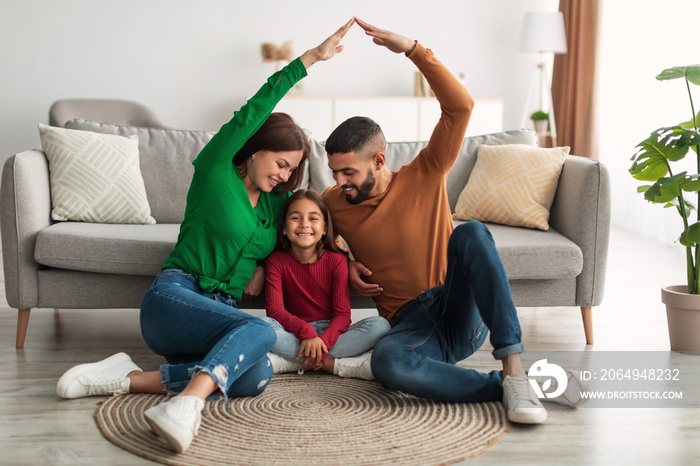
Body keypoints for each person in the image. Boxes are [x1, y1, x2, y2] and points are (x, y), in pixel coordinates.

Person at [54, 18, 355, 453]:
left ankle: (127, 378)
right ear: (253, 148)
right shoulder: (215, 169)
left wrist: (344, 260)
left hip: (223, 314)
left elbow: (315, 221)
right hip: (175, 297)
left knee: (254, 377)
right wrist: (308, 60)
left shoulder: (275, 206)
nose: (284, 174)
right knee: (266, 335)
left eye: (292, 169)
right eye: (280, 163)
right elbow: (252, 109)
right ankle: (186, 406)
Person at [321, 19, 585, 425]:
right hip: (410, 325)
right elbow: (308, 240)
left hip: (457, 304)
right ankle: (505, 386)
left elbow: (460, 106)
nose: (339, 183)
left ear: (378, 160)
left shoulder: (425, 171)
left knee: (472, 233)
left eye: (348, 173)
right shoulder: (333, 202)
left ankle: (514, 366)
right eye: (334, 172)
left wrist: (413, 50)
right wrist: (343, 261)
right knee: (388, 365)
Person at [260, 189, 391, 380]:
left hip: (333, 334)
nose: (304, 224)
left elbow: (342, 315)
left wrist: (323, 340)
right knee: (261, 326)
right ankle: (332, 363)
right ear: (284, 229)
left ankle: (292, 361)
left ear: (324, 229)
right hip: (296, 333)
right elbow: (275, 310)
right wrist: (306, 332)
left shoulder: (336, 260)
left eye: (313, 219)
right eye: (296, 218)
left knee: (380, 326)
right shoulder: (276, 261)